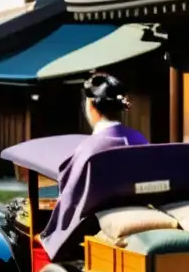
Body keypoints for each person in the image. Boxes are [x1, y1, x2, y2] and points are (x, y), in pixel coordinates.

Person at [38, 73, 147, 258]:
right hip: (140, 217)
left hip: (93, 228)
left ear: (90, 105)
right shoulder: (139, 139)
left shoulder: (89, 149)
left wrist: (49, 234)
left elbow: (70, 200)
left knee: (42, 240)